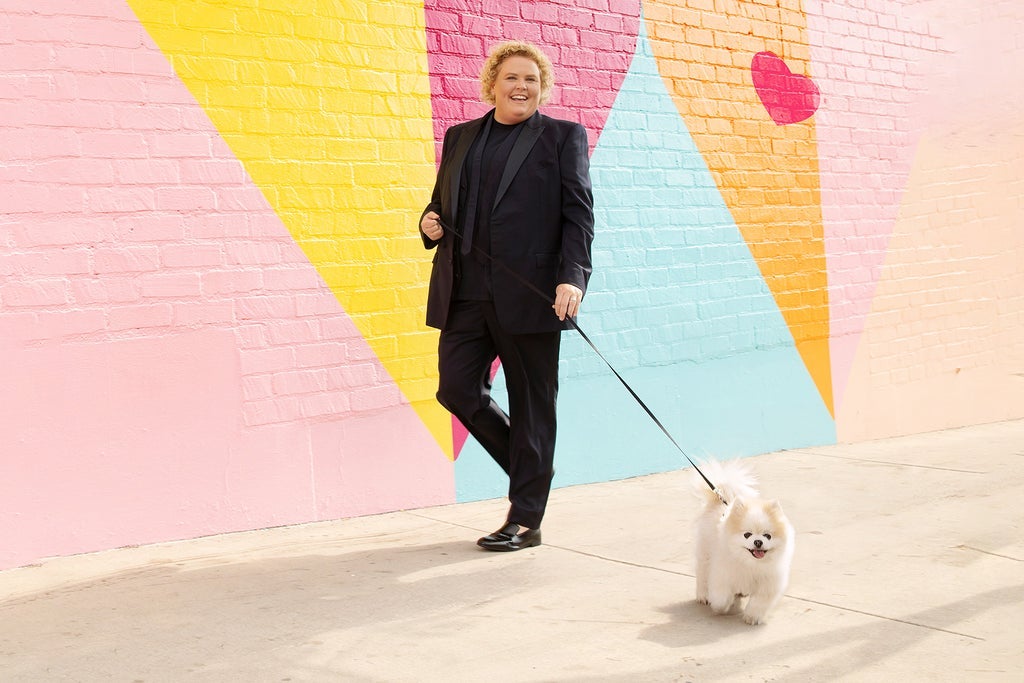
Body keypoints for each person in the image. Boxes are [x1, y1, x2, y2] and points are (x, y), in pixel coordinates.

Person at [419, 41, 595, 552]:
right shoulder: (461, 137)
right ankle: (531, 469)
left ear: (542, 89)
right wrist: (429, 224)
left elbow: (579, 213)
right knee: (456, 388)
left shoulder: (562, 138)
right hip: (465, 292)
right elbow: (440, 202)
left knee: (533, 404)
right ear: (493, 82)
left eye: (532, 81)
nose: (522, 87)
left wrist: (573, 278)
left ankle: (525, 517)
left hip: (532, 294)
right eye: (513, 77)